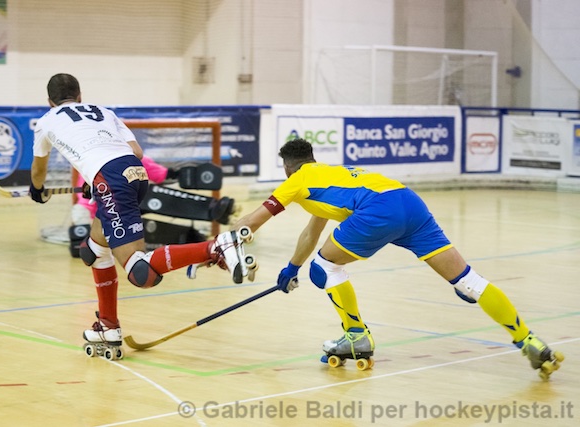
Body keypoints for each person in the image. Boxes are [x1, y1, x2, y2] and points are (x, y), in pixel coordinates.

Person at [230, 137, 564, 379]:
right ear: (313, 158)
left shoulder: (296, 181)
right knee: (468, 281)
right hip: (408, 201)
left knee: (325, 267)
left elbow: (252, 222)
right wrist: (292, 267)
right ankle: (529, 340)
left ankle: (356, 335)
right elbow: (312, 231)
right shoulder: (332, 174)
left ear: (287, 167)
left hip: (378, 210)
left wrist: (222, 241)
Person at [30, 73, 245, 352]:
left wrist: (37, 190)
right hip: (136, 174)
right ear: (80, 96)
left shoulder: (46, 121)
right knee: (93, 250)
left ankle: (215, 247)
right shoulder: (103, 111)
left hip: (110, 179)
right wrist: (97, 181)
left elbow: (39, 170)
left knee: (140, 272)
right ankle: (108, 324)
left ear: (49, 101)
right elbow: (137, 151)